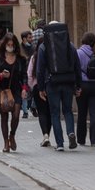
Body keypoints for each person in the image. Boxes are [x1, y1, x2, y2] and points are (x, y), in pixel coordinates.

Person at [36, 20, 81, 151]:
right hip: (68, 82)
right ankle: (71, 132)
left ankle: (60, 144)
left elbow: (39, 69)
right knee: (68, 111)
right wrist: (78, 85)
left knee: (55, 113)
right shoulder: (70, 45)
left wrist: (41, 88)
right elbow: (77, 66)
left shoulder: (43, 47)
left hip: (52, 83)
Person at [0, 32, 26, 152]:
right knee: (4, 116)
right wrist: (1, 75)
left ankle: (12, 135)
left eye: (12, 44)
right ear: (4, 44)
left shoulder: (21, 59)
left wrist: (24, 89)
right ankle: (6, 142)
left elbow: (24, 75)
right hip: (3, 90)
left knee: (16, 115)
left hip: (16, 88)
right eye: (8, 44)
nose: (10, 46)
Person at [27, 28, 52, 146]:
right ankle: (49, 134)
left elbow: (29, 73)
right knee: (50, 112)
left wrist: (32, 86)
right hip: (50, 85)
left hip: (38, 86)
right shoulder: (52, 55)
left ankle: (45, 135)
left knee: (42, 112)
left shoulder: (34, 57)